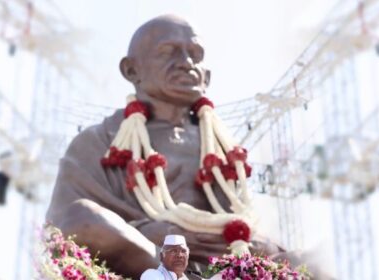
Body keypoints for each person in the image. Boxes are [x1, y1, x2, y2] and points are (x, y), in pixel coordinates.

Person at [46, 14, 282, 279]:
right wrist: (149, 231)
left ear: (208, 77)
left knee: (304, 261)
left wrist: (255, 242)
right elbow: (64, 221)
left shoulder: (223, 147)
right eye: (168, 52)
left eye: (195, 54)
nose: (186, 63)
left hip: (223, 260)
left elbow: (240, 222)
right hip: (144, 255)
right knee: (83, 217)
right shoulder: (101, 140)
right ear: (131, 70)